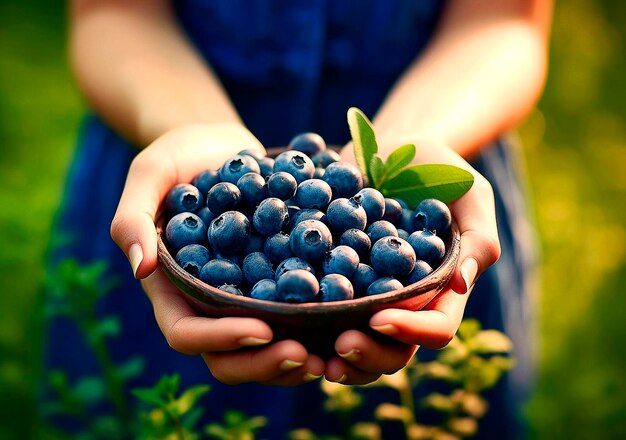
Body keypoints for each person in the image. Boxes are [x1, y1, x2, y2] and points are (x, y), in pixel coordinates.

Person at [43, 0, 552, 438]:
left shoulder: (380, 226)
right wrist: (194, 127)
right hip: (167, 139)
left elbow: (503, 21)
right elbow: (112, 13)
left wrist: (404, 153)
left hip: (436, 135)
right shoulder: (228, 213)